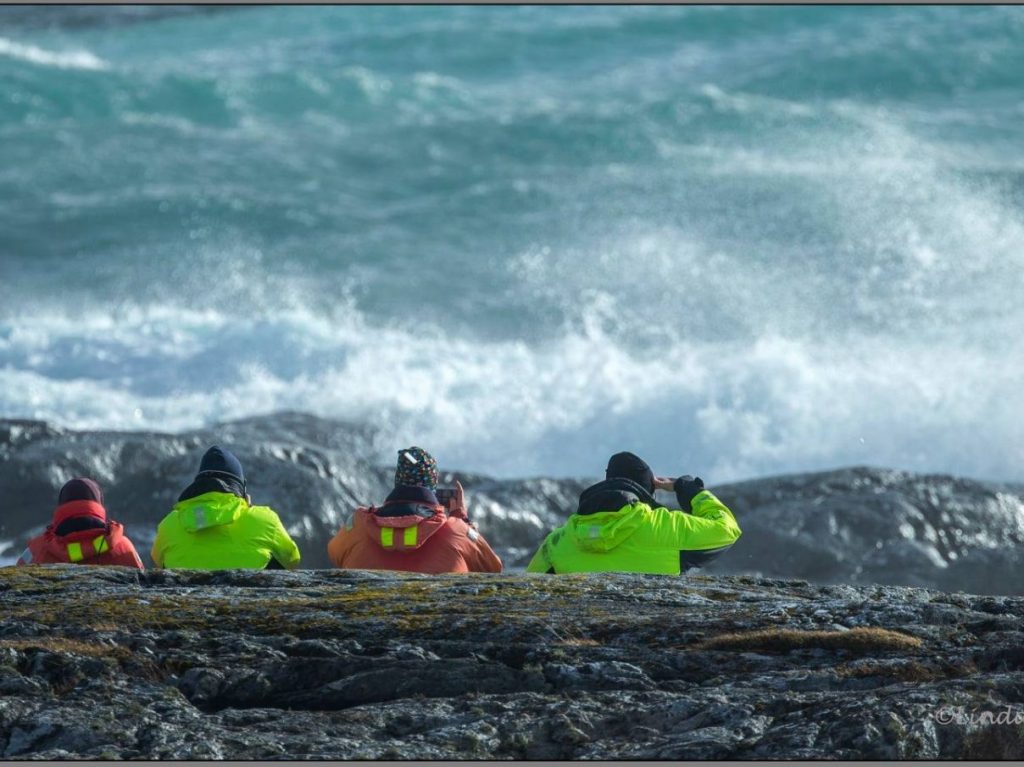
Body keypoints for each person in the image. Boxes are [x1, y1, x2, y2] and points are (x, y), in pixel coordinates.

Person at [526, 451, 741, 575]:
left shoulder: (559, 541)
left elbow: (529, 591)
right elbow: (727, 529)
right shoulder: (665, 528)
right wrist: (688, 489)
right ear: (647, 490)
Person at [327, 446, 502, 574]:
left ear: (398, 482)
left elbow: (334, 553)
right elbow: (493, 568)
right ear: (432, 486)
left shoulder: (359, 524)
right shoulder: (456, 531)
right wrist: (462, 519)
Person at [151, 446, 301, 570]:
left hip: (184, 603)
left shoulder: (169, 524)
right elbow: (292, 560)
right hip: (249, 603)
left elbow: (157, 561)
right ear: (240, 488)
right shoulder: (265, 519)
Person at [16, 478, 144, 569]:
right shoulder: (123, 547)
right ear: (99, 505)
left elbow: (14, 586)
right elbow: (142, 587)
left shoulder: (37, 550)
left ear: (61, 506)